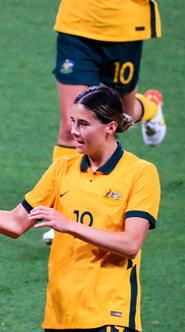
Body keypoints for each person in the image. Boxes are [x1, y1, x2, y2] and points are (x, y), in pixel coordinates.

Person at [0, 86, 160, 332]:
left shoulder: (140, 173)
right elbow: (16, 222)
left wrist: (69, 225)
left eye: (83, 124)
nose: (73, 132)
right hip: (62, 312)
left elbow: (130, 244)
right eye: (72, 122)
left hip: (111, 310)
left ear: (110, 127)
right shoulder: (62, 169)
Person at [45, 0, 165, 244]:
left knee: (119, 119)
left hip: (125, 25)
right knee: (71, 127)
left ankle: (151, 107)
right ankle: (62, 211)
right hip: (77, 23)